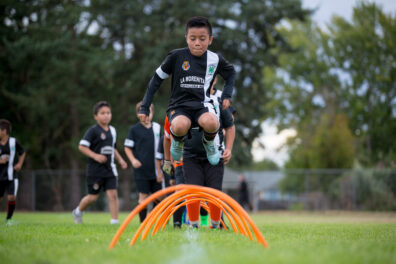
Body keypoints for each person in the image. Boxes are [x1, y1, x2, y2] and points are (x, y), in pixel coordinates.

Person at [138, 16, 236, 167]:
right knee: (179, 126)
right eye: (193, 38)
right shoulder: (176, 57)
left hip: (202, 105)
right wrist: (145, 106)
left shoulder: (215, 59)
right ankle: (177, 142)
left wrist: (227, 95)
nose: (197, 43)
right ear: (186, 39)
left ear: (210, 40)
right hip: (179, 106)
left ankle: (209, 142)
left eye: (202, 39)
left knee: (212, 122)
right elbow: (156, 80)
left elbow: (231, 74)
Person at [182, 77, 235, 229]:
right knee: (193, 192)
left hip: (215, 156)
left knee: (214, 192)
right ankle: (193, 224)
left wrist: (229, 148)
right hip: (191, 155)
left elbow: (230, 126)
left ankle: (216, 224)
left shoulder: (218, 102)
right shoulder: (186, 101)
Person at [73, 101, 127, 224]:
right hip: (95, 170)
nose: (106, 115)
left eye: (108, 113)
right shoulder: (92, 131)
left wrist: (121, 160)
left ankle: (114, 221)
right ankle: (78, 211)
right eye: (102, 113)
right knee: (93, 197)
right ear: (95, 116)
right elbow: (82, 147)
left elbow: (113, 148)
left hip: (110, 169)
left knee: (113, 194)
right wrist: (95, 156)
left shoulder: (112, 130)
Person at [124, 102, 163, 223]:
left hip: (156, 170)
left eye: (149, 112)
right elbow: (127, 147)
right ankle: (143, 222)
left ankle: (154, 220)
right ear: (138, 114)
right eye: (144, 112)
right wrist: (133, 160)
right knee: (143, 196)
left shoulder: (157, 127)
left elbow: (162, 146)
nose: (147, 115)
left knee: (158, 197)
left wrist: (162, 162)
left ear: (152, 113)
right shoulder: (134, 130)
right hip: (141, 170)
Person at [0, 119, 26, 225]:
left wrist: (19, 164)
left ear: (4, 131)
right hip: (0, 176)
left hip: (11, 175)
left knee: (11, 197)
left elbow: (22, 152)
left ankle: (9, 219)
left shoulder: (13, 142)